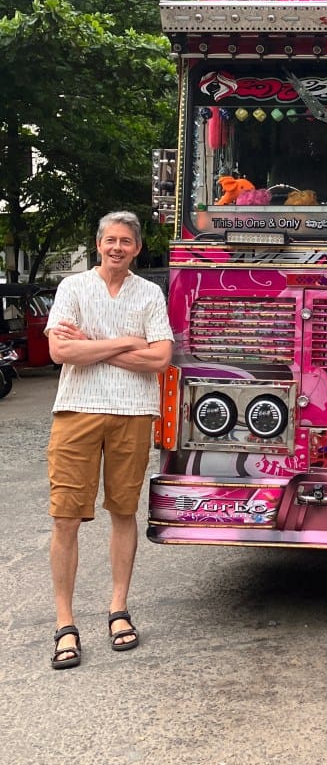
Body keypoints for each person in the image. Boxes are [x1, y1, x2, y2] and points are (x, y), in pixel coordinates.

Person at [45, 211, 173, 669]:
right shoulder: (72, 289)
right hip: (76, 411)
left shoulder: (149, 292)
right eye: (110, 240)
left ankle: (118, 609)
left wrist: (96, 343)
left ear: (137, 248)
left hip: (134, 413)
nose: (118, 247)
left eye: (126, 241)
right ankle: (65, 623)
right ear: (98, 244)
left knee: (123, 510)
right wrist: (126, 342)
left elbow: (160, 358)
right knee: (66, 518)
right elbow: (61, 351)